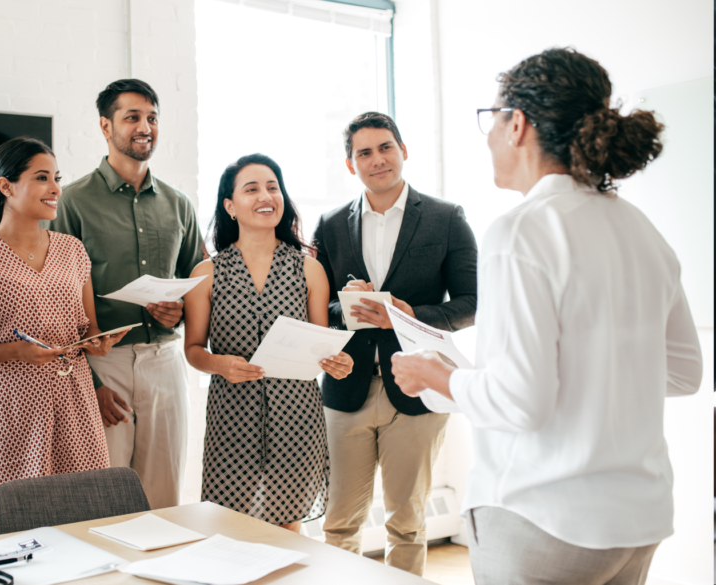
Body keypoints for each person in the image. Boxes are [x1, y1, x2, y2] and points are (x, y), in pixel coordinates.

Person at [391, 48, 703, 585]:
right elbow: (682, 374)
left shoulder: (522, 231)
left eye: (490, 119)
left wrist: (435, 375)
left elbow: (519, 400)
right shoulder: (643, 231)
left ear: (518, 125)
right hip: (636, 522)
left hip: (544, 520)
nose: (486, 136)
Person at [311, 112, 478, 575]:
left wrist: (410, 315)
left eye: (386, 147)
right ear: (350, 165)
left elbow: (473, 302)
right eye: (364, 152)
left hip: (419, 388)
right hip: (347, 389)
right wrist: (346, 309)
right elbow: (315, 310)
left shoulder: (446, 218)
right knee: (339, 523)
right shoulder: (328, 226)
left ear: (403, 151)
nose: (377, 159)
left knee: (406, 524)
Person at [0, 137, 125, 527]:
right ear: (6, 187)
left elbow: (87, 327)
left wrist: (98, 342)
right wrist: (15, 352)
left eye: (56, 178)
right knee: (24, 518)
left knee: (90, 512)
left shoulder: (73, 250)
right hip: (10, 402)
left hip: (76, 395)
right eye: (42, 178)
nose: (56, 188)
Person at [50, 79, 204, 508]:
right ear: (105, 126)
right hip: (105, 364)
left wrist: (181, 313)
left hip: (166, 365)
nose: (145, 127)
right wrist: (91, 384)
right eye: (132, 117)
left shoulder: (179, 205)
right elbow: (59, 301)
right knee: (105, 498)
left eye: (152, 118)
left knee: (165, 497)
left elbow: (199, 281)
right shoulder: (71, 203)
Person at [184, 154, 353, 532]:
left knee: (289, 528)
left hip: (297, 415)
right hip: (232, 415)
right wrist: (221, 365)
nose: (266, 195)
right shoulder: (206, 273)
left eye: (273, 187)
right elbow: (193, 349)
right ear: (229, 206)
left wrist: (338, 362)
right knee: (228, 527)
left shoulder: (309, 269)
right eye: (252, 188)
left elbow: (322, 346)